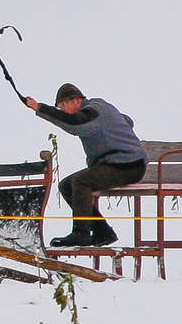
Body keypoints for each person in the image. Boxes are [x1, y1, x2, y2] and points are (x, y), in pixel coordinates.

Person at [24, 83, 147, 247]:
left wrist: (39, 108)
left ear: (76, 100)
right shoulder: (99, 111)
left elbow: (75, 124)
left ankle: (81, 233)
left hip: (129, 166)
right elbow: (127, 121)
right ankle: (103, 232)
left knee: (81, 181)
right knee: (66, 185)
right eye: (59, 107)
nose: (62, 110)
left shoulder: (94, 109)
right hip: (117, 164)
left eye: (63, 105)